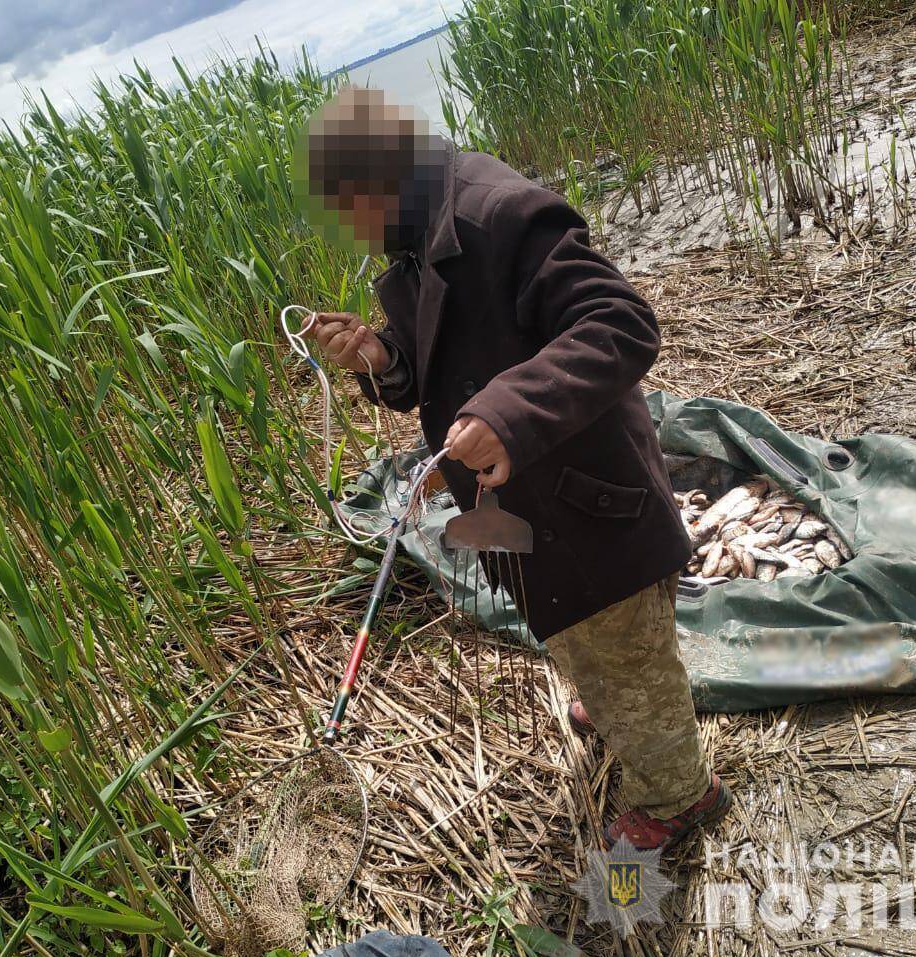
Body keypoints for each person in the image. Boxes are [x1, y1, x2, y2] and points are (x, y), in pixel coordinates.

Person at [297, 86, 731, 851]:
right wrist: (379, 357)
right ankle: (615, 699)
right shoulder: (416, 245)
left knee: (619, 632)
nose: (346, 233)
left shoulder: (501, 214)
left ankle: (678, 797)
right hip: (532, 513)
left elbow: (620, 322)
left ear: (378, 181)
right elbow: (429, 368)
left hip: (589, 503)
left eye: (346, 211)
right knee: (585, 636)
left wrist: (506, 414)